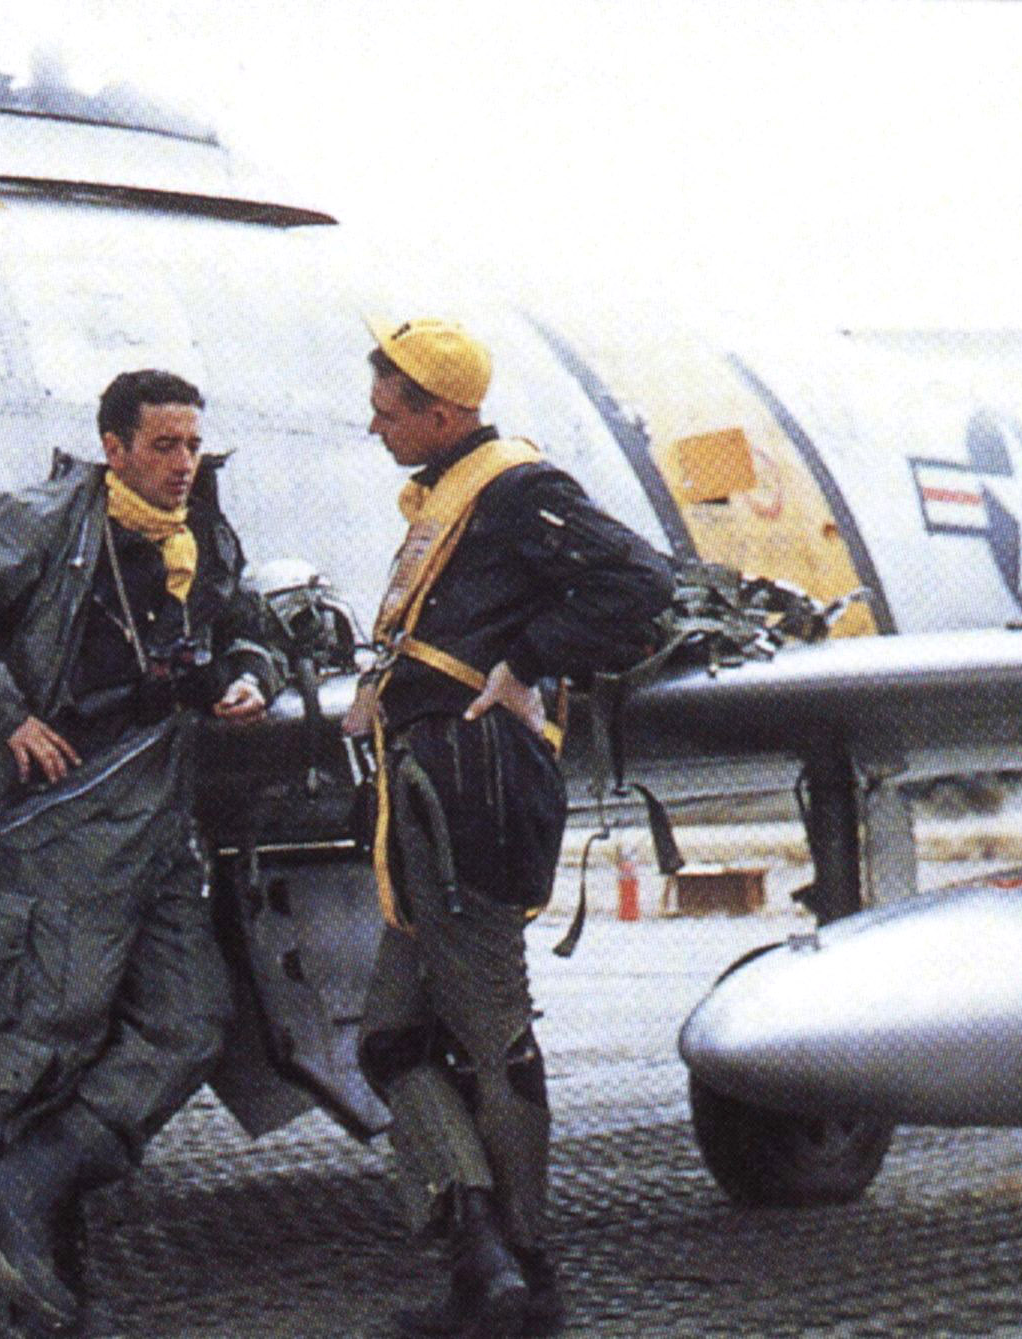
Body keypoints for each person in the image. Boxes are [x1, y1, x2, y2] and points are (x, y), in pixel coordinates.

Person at [0, 369, 279, 1332]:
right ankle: (42, 1299)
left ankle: (18, 1187)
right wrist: (6, 713)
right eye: (163, 447)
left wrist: (248, 673)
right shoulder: (41, 522)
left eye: (192, 446)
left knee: (192, 1021)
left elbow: (245, 625)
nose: (183, 465)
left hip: (158, 820)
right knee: (42, 1044)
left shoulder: (201, 538)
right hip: (62, 817)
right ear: (113, 446)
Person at [343, 318, 675, 1338]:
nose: (374, 424)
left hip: (469, 790)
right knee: (393, 1036)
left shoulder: (516, 489)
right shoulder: (451, 497)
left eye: (390, 409)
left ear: (445, 413)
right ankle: (481, 1253)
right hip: (430, 784)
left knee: (489, 1035)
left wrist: (526, 662)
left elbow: (639, 579)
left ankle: (522, 1273)